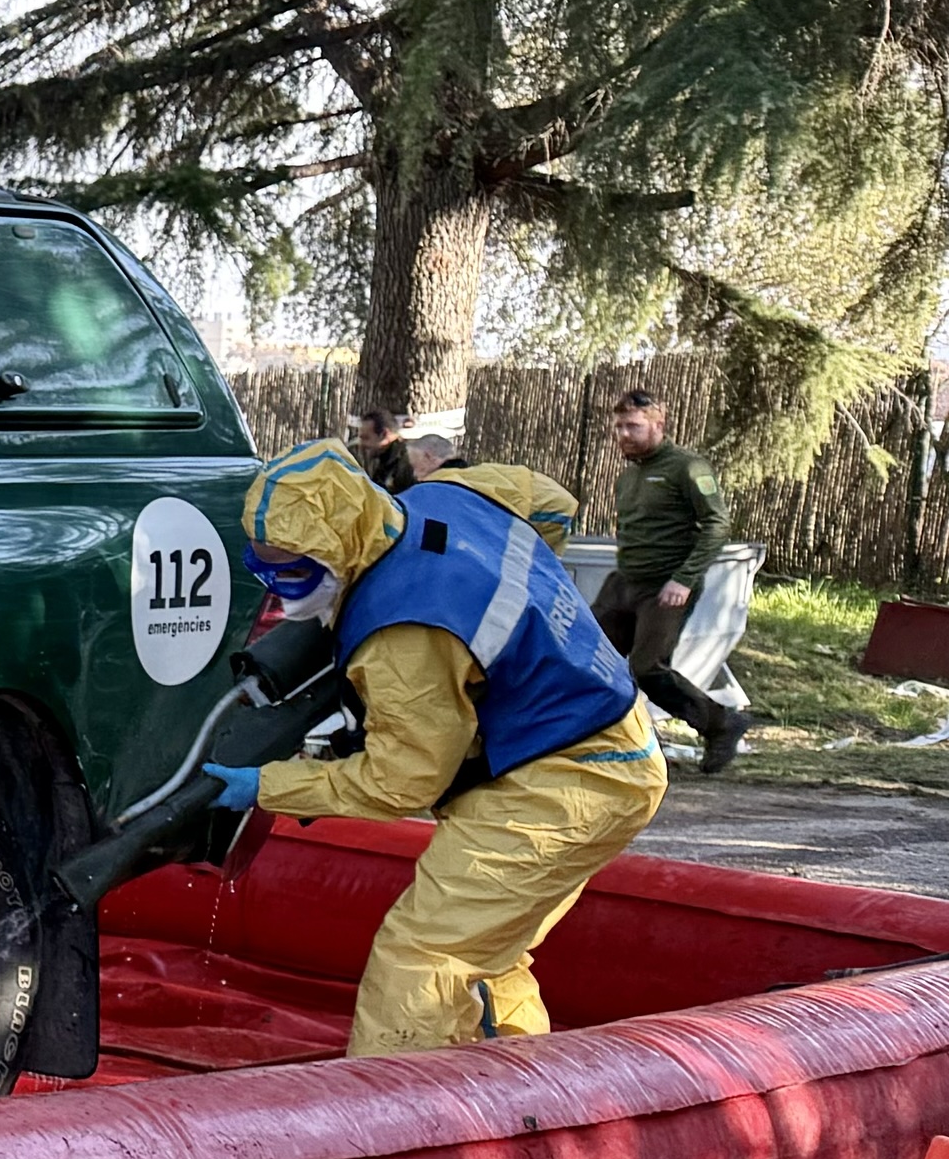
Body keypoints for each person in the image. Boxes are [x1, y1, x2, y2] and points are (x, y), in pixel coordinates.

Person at [206, 441, 667, 1053]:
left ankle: (394, 1121)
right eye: (267, 571)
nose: (286, 590)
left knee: (424, 957)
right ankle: (523, 1095)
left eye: (297, 570)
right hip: (619, 747)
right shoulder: (455, 494)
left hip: (555, 785)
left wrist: (267, 785)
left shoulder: (403, 632)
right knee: (488, 950)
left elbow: (404, 782)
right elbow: (553, 507)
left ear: (342, 546)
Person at [592, 388, 746, 775]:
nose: (624, 434)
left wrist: (684, 579)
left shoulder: (687, 467)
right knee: (587, 657)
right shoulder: (628, 477)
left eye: (634, 426)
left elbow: (717, 524)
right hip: (623, 581)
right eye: (619, 427)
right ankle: (610, 741)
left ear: (658, 425)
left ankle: (721, 723)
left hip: (666, 586)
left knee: (648, 668)